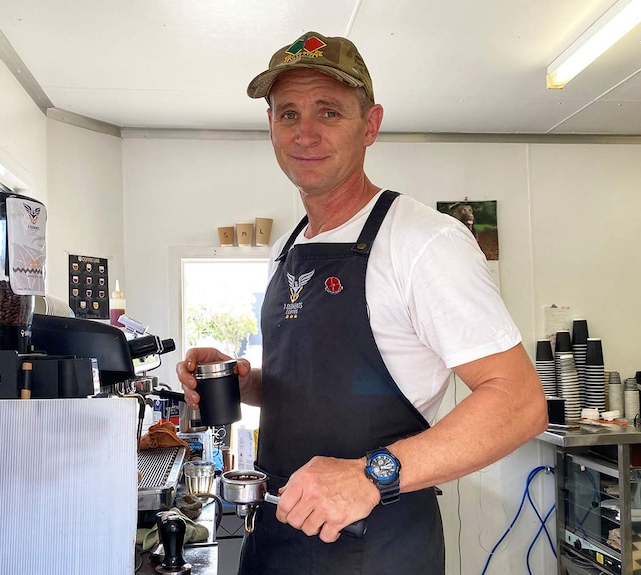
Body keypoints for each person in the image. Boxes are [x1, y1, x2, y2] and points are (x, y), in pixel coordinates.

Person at [176, 30, 548, 575]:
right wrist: (238, 380)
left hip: (376, 545)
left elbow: (519, 403)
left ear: (369, 124)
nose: (305, 134)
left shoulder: (423, 241)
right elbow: (312, 389)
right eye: (287, 115)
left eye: (328, 112)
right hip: (280, 533)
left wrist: (371, 474)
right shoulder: (289, 246)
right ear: (271, 128)